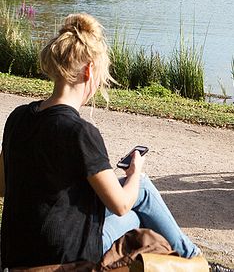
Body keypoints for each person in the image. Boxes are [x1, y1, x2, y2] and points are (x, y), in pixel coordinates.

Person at [0, 14, 200, 268]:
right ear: (89, 70)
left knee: (134, 197)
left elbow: (3, 186)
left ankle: (193, 258)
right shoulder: (80, 132)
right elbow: (120, 205)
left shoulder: (18, 117)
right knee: (141, 195)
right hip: (63, 260)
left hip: (17, 255)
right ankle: (195, 261)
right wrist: (135, 172)